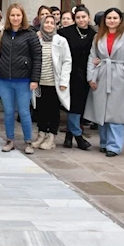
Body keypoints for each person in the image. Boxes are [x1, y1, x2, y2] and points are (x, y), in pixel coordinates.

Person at [85, 8, 124, 157]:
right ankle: (104, 142)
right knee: (101, 110)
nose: (112, 21)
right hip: (102, 74)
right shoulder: (98, 36)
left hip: (118, 75)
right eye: (109, 18)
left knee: (116, 112)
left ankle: (114, 145)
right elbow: (92, 56)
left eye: (115, 18)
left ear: (120, 20)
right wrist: (91, 77)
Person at [0, 4, 42, 154]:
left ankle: (28, 141)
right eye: (12, 15)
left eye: (18, 15)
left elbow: (37, 57)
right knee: (8, 111)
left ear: (23, 17)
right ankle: (10, 140)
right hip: (4, 80)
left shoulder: (30, 34)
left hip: (23, 80)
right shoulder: (3, 33)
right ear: (8, 17)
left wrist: (35, 79)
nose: (15, 18)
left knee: (23, 112)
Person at [31, 16, 72, 150]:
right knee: (41, 109)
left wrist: (64, 80)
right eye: (46, 22)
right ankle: (41, 134)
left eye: (51, 23)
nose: (48, 25)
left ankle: (51, 136)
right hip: (40, 81)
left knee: (53, 110)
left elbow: (67, 61)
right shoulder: (36, 39)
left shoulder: (61, 41)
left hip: (55, 82)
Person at [58, 5, 94, 149]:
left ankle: (69, 137)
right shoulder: (65, 32)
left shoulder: (94, 33)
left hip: (86, 75)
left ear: (88, 18)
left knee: (78, 107)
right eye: (78, 17)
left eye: (83, 17)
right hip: (68, 74)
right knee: (72, 107)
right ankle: (78, 137)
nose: (81, 20)